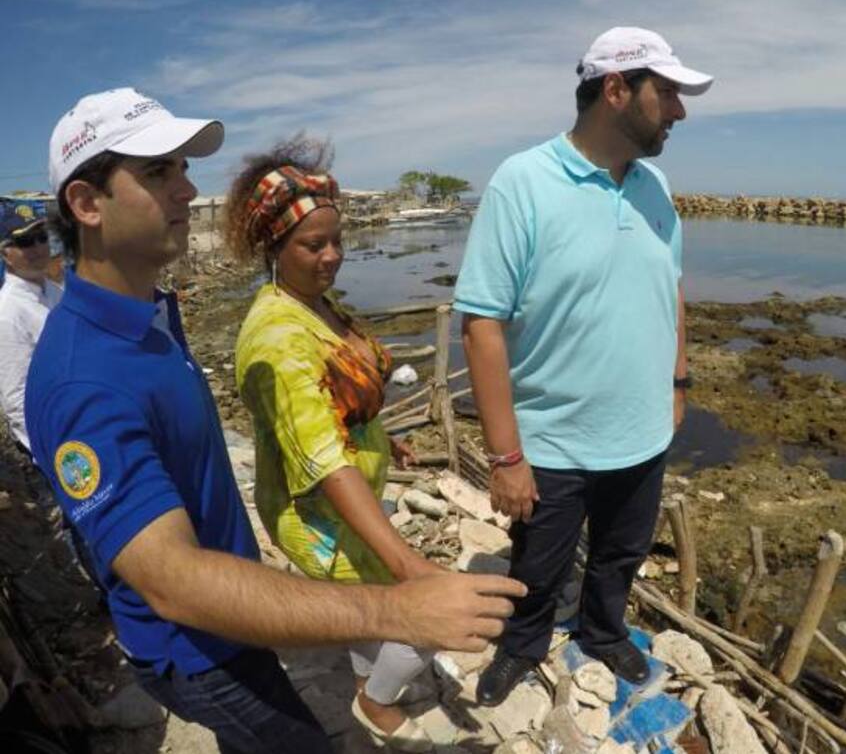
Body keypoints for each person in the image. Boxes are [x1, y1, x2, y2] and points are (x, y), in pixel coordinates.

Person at [25, 88, 525, 754]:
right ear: (87, 204)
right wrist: (395, 607)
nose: (187, 188)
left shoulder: (151, 315)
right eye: (158, 172)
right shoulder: (82, 381)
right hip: (201, 649)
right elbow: (172, 582)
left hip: (234, 612)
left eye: (182, 168)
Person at [454, 27, 713, 705]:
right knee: (537, 564)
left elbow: (671, 287)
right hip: (554, 440)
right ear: (616, 89)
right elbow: (481, 323)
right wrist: (506, 457)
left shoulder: (655, 186)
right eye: (668, 93)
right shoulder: (522, 182)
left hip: (642, 430)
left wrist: (678, 381)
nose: (680, 111)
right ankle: (522, 644)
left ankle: (603, 631)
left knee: (621, 553)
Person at [227, 139, 438, 749]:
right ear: (274, 248)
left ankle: (369, 676)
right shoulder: (279, 338)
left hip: (347, 499)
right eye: (313, 245)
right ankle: (375, 701)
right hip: (316, 513)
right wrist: (412, 566)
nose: (333, 257)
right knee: (418, 615)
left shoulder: (315, 303)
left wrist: (379, 437)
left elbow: (334, 405)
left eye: (337, 241)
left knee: (367, 609)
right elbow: (320, 461)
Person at [0, 207, 61, 455]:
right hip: (57, 442)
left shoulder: (55, 292)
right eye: (25, 242)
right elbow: (16, 400)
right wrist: (53, 453)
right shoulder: (8, 313)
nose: (37, 248)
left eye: (42, 238)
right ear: (5, 253)